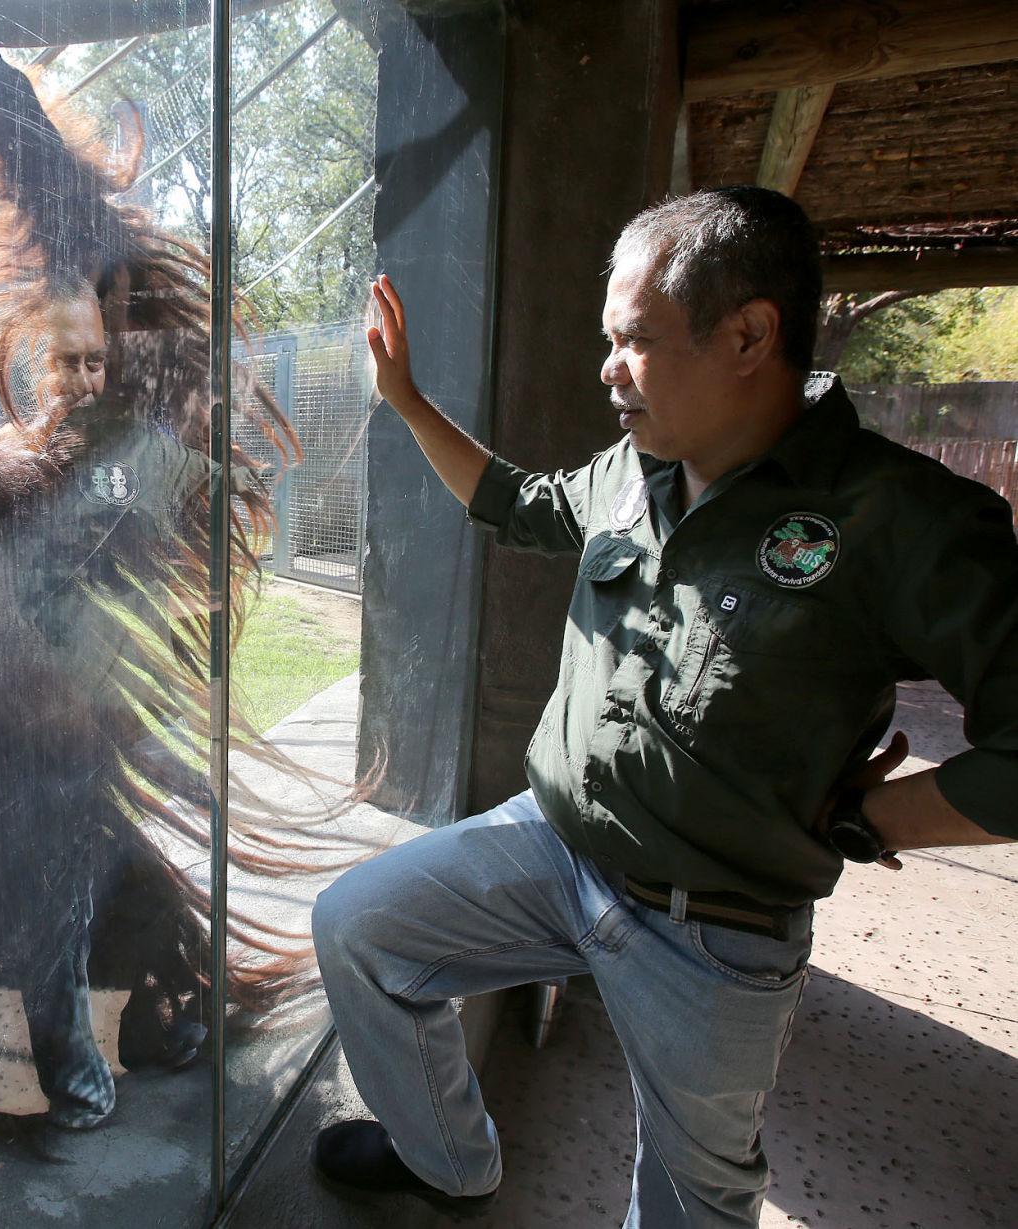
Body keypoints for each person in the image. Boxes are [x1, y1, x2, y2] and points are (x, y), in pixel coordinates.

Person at [310, 186, 1018, 1228]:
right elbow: (514, 503)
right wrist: (406, 400)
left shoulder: (902, 519)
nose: (607, 368)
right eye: (609, 340)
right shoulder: (630, 472)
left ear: (748, 336)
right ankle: (447, 1161)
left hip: (716, 930)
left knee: (691, 1201)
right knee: (356, 927)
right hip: (553, 849)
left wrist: (875, 817)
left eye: (634, 340)